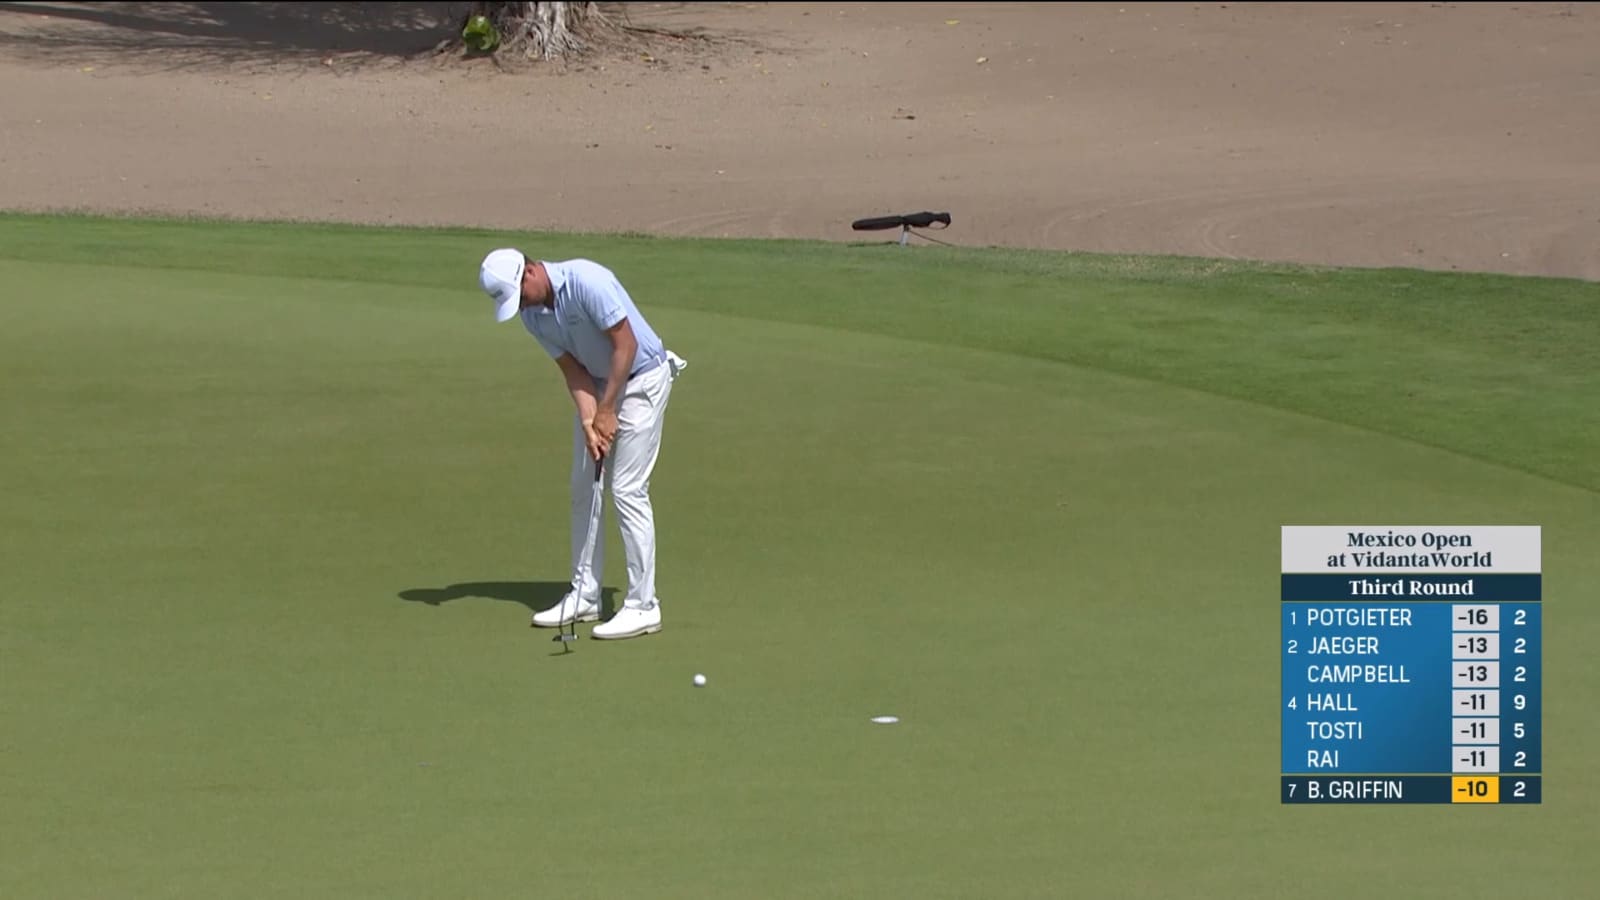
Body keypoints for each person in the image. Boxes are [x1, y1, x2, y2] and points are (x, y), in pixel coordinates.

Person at [477, 248, 686, 640]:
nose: (520, 306)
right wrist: (591, 421)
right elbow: (573, 370)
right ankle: (585, 595)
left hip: (643, 378)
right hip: (600, 386)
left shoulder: (588, 281)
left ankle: (644, 605)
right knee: (583, 486)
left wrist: (607, 409)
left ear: (530, 272)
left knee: (626, 489)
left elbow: (627, 346)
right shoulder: (532, 315)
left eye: (520, 296)